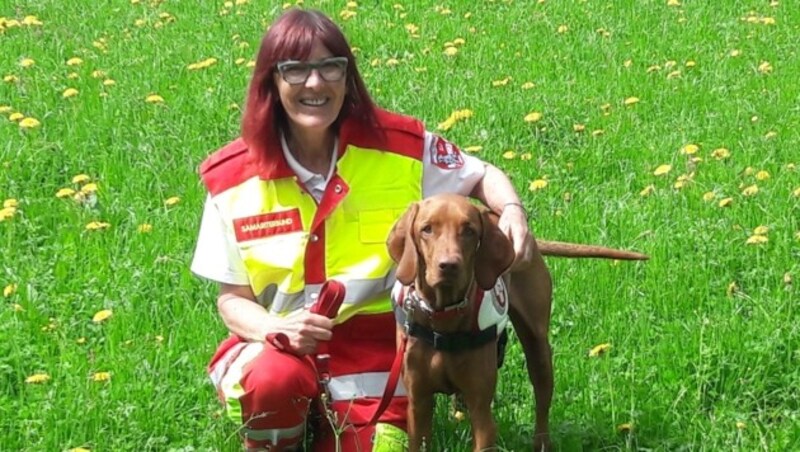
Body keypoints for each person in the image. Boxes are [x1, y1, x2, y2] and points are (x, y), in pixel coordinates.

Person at [191, 8, 536, 451]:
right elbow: (231, 301)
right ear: (270, 83)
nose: (315, 84)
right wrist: (278, 330)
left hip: (377, 367)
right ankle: (280, 439)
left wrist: (511, 211)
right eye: (295, 70)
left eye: (329, 67)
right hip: (279, 351)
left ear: (347, 77)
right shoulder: (232, 178)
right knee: (274, 380)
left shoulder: (401, 147)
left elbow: (480, 174)